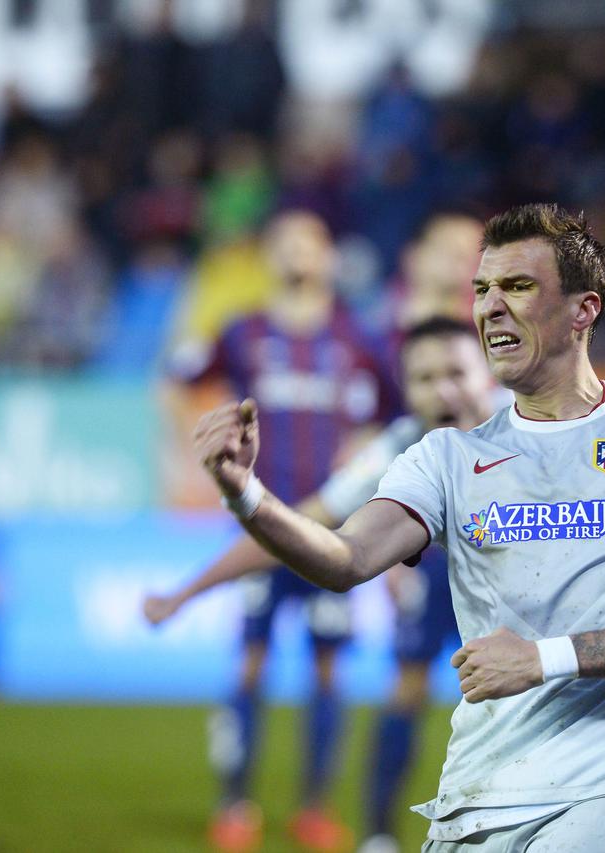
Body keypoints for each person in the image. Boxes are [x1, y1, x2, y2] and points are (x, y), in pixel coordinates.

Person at [187, 202, 605, 851]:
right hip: (474, 803)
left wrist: (544, 660)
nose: (490, 307)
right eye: (483, 289)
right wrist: (244, 492)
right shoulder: (446, 454)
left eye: (518, 287)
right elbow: (343, 558)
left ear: (583, 310)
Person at [166, 209, 397, 853]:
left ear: (328, 257)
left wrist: (368, 448)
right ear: (270, 258)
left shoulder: (357, 335)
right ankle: (236, 805)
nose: (297, 253)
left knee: (329, 671)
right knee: (249, 666)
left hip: (329, 532)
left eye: (309, 241)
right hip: (262, 531)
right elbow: (181, 376)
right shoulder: (241, 331)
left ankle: (315, 808)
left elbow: (397, 411)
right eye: (284, 243)